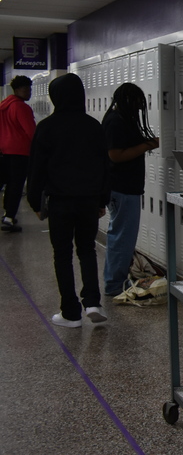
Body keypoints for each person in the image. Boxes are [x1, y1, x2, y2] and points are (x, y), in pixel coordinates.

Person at [27, 73, 110, 328]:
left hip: (60, 201)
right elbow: (104, 167)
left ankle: (71, 313)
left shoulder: (47, 127)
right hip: (88, 200)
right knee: (86, 250)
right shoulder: (93, 126)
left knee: (62, 254)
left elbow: (37, 169)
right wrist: (102, 201)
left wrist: (35, 203)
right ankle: (93, 303)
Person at [102, 83, 159, 296]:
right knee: (122, 238)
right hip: (122, 189)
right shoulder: (116, 121)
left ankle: (115, 281)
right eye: (136, 103)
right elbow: (115, 155)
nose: (138, 108)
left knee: (121, 237)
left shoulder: (120, 119)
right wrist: (148, 145)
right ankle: (115, 285)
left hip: (126, 188)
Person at [0, 75, 37, 232]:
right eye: (25, 89)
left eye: (30, 89)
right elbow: (31, 131)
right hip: (20, 153)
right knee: (16, 185)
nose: (29, 92)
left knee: (6, 183)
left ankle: (8, 215)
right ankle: (9, 217)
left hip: (4, 151)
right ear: (17, 90)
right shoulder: (21, 107)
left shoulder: (4, 106)